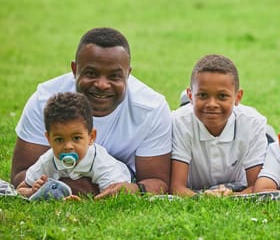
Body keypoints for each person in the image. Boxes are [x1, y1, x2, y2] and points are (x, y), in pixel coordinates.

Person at [11, 27, 172, 198]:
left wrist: (129, 189)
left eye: (114, 76)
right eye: (91, 73)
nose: (102, 84)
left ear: (128, 74)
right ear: (75, 69)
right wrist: (69, 187)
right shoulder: (45, 101)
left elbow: (157, 182)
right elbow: (21, 175)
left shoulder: (151, 108)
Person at [170, 54, 269, 197]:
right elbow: (176, 187)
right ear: (191, 96)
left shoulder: (254, 123)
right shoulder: (178, 122)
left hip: (238, 182)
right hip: (196, 184)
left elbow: (256, 187)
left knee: (269, 138)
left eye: (222, 96)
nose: (212, 104)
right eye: (203, 95)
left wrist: (232, 196)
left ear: (238, 97)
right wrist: (204, 197)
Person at [16, 92, 131, 200]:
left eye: (76, 138)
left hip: (124, 174)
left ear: (91, 137)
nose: (68, 146)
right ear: (49, 139)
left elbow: (113, 194)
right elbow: (20, 189)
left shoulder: (101, 162)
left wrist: (84, 201)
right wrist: (32, 191)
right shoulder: (47, 160)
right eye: (59, 139)